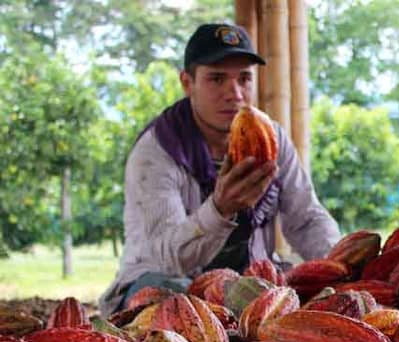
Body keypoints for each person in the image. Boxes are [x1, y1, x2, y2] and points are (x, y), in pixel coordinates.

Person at [99, 23, 341, 316]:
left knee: (310, 295)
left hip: (243, 283)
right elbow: (167, 258)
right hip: (164, 281)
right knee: (169, 300)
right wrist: (219, 210)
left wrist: (341, 265)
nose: (235, 93)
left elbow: (306, 219)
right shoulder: (157, 150)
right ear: (188, 83)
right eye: (217, 79)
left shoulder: (271, 137)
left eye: (244, 79)